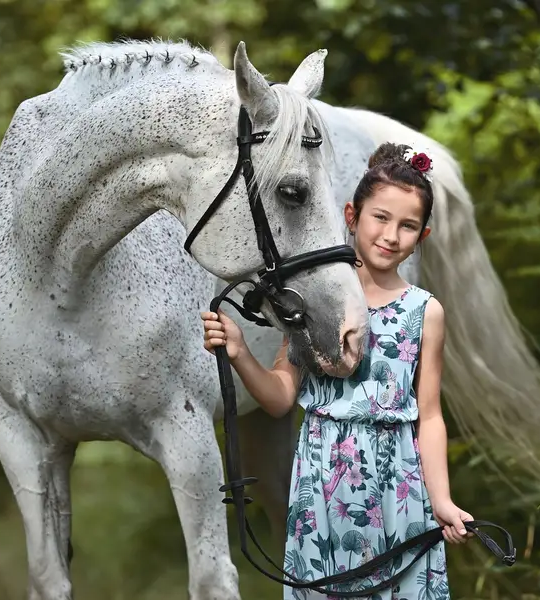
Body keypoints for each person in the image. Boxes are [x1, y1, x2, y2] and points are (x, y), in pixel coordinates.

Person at [202, 142, 472, 599]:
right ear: (352, 215)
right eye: (380, 217)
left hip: (397, 487)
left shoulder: (425, 312)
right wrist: (239, 352)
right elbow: (280, 398)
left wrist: (441, 499)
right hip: (322, 485)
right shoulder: (315, 305)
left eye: (408, 226)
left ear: (422, 235)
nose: (391, 235)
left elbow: (429, 415)